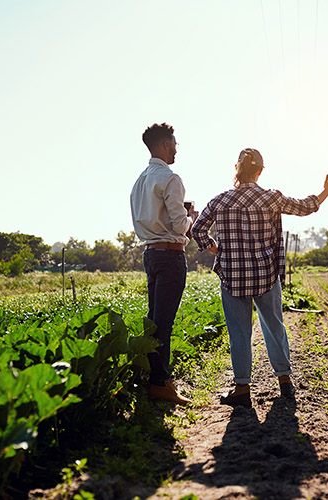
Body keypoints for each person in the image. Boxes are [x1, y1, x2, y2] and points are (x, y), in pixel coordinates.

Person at [191, 148, 328, 407]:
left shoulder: (220, 201)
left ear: (236, 168)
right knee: (274, 327)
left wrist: (214, 247)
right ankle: (285, 381)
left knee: (239, 333)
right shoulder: (271, 198)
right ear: (260, 171)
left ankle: (241, 387)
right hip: (266, 275)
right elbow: (305, 207)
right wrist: (325, 191)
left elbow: (197, 229)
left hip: (232, 276)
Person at [130, 123, 197, 405]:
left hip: (150, 254)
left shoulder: (139, 182)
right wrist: (191, 215)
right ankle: (161, 383)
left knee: (154, 319)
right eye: (175, 144)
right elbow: (181, 226)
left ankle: (153, 379)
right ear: (167, 144)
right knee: (164, 322)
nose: (177, 149)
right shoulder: (171, 179)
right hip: (170, 255)